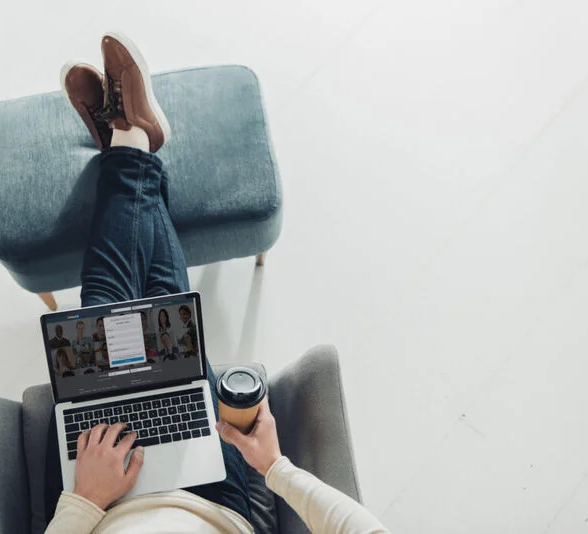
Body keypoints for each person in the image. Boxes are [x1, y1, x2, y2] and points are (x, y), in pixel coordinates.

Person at [44, 32, 387, 534]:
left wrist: (85, 502)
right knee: (164, 316)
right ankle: (130, 140)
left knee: (103, 305)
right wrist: (274, 468)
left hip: (101, 509)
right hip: (210, 502)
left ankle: (130, 141)